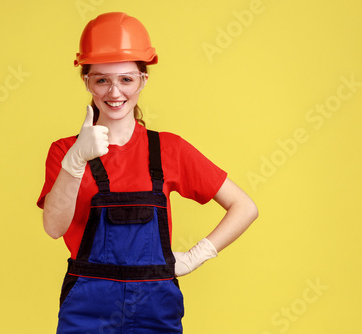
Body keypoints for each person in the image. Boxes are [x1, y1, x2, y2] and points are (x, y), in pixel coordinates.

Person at [37, 12, 258, 333]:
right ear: (87, 81)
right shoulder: (64, 150)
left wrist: (196, 256)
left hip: (155, 307)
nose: (114, 92)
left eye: (126, 79)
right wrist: (75, 161)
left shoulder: (170, 149)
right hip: (88, 308)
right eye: (102, 79)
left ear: (143, 80)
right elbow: (53, 228)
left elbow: (245, 207)